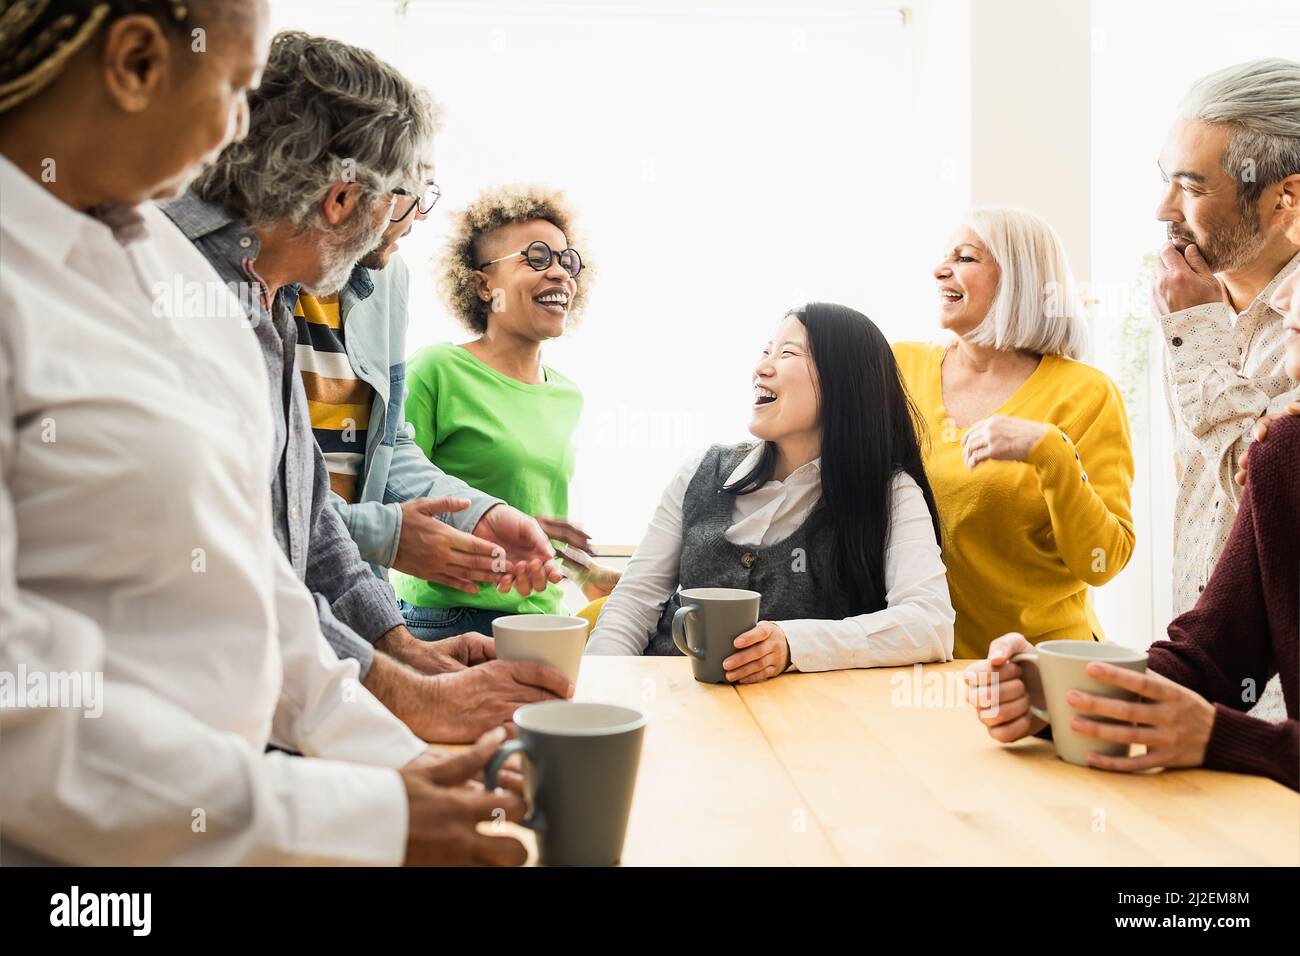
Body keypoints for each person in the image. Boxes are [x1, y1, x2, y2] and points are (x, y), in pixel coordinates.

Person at [0, 0, 525, 865]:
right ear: (135, 64)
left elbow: (256, 576)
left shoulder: (160, 265)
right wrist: (349, 814)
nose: (243, 135)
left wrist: (395, 767)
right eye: (238, 89)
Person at [163, 33, 575, 743]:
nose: (401, 224)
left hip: (284, 692)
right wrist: (408, 693)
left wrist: (401, 652)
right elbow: (227, 569)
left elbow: (307, 515)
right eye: (400, 198)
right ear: (343, 197)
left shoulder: (274, 294)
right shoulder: (179, 286)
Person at [965, 198, 1300, 791]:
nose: (1286, 303)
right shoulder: (1283, 451)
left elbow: (1106, 553)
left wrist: (1223, 738)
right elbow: (1208, 659)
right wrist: (1057, 691)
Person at [586, 303, 954, 682]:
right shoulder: (700, 471)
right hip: (672, 708)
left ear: (844, 380)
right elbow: (633, 605)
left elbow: (929, 624)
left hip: (798, 726)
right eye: (765, 352)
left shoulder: (890, 493)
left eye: (788, 353)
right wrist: (599, 692)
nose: (761, 367)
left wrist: (793, 643)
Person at [893, 207, 1135, 660]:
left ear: (1018, 281)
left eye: (966, 258)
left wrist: (1051, 454)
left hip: (1041, 670)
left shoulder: (1086, 394)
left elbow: (1104, 559)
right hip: (916, 664)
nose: (940, 269)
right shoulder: (898, 368)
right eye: (946, 256)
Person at [394, 184, 619, 641]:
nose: (559, 273)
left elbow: (534, 519)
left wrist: (583, 572)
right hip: (448, 621)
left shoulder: (567, 395)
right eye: (536, 258)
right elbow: (392, 498)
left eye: (567, 260)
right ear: (482, 284)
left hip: (545, 620)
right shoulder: (436, 371)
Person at [1152, 58, 1300, 614]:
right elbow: (1198, 495)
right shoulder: (1190, 304)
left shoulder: (1208, 323)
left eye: (1192, 187)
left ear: (1285, 197)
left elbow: (1269, 507)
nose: (1163, 209)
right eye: (1165, 179)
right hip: (1194, 661)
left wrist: (1196, 335)